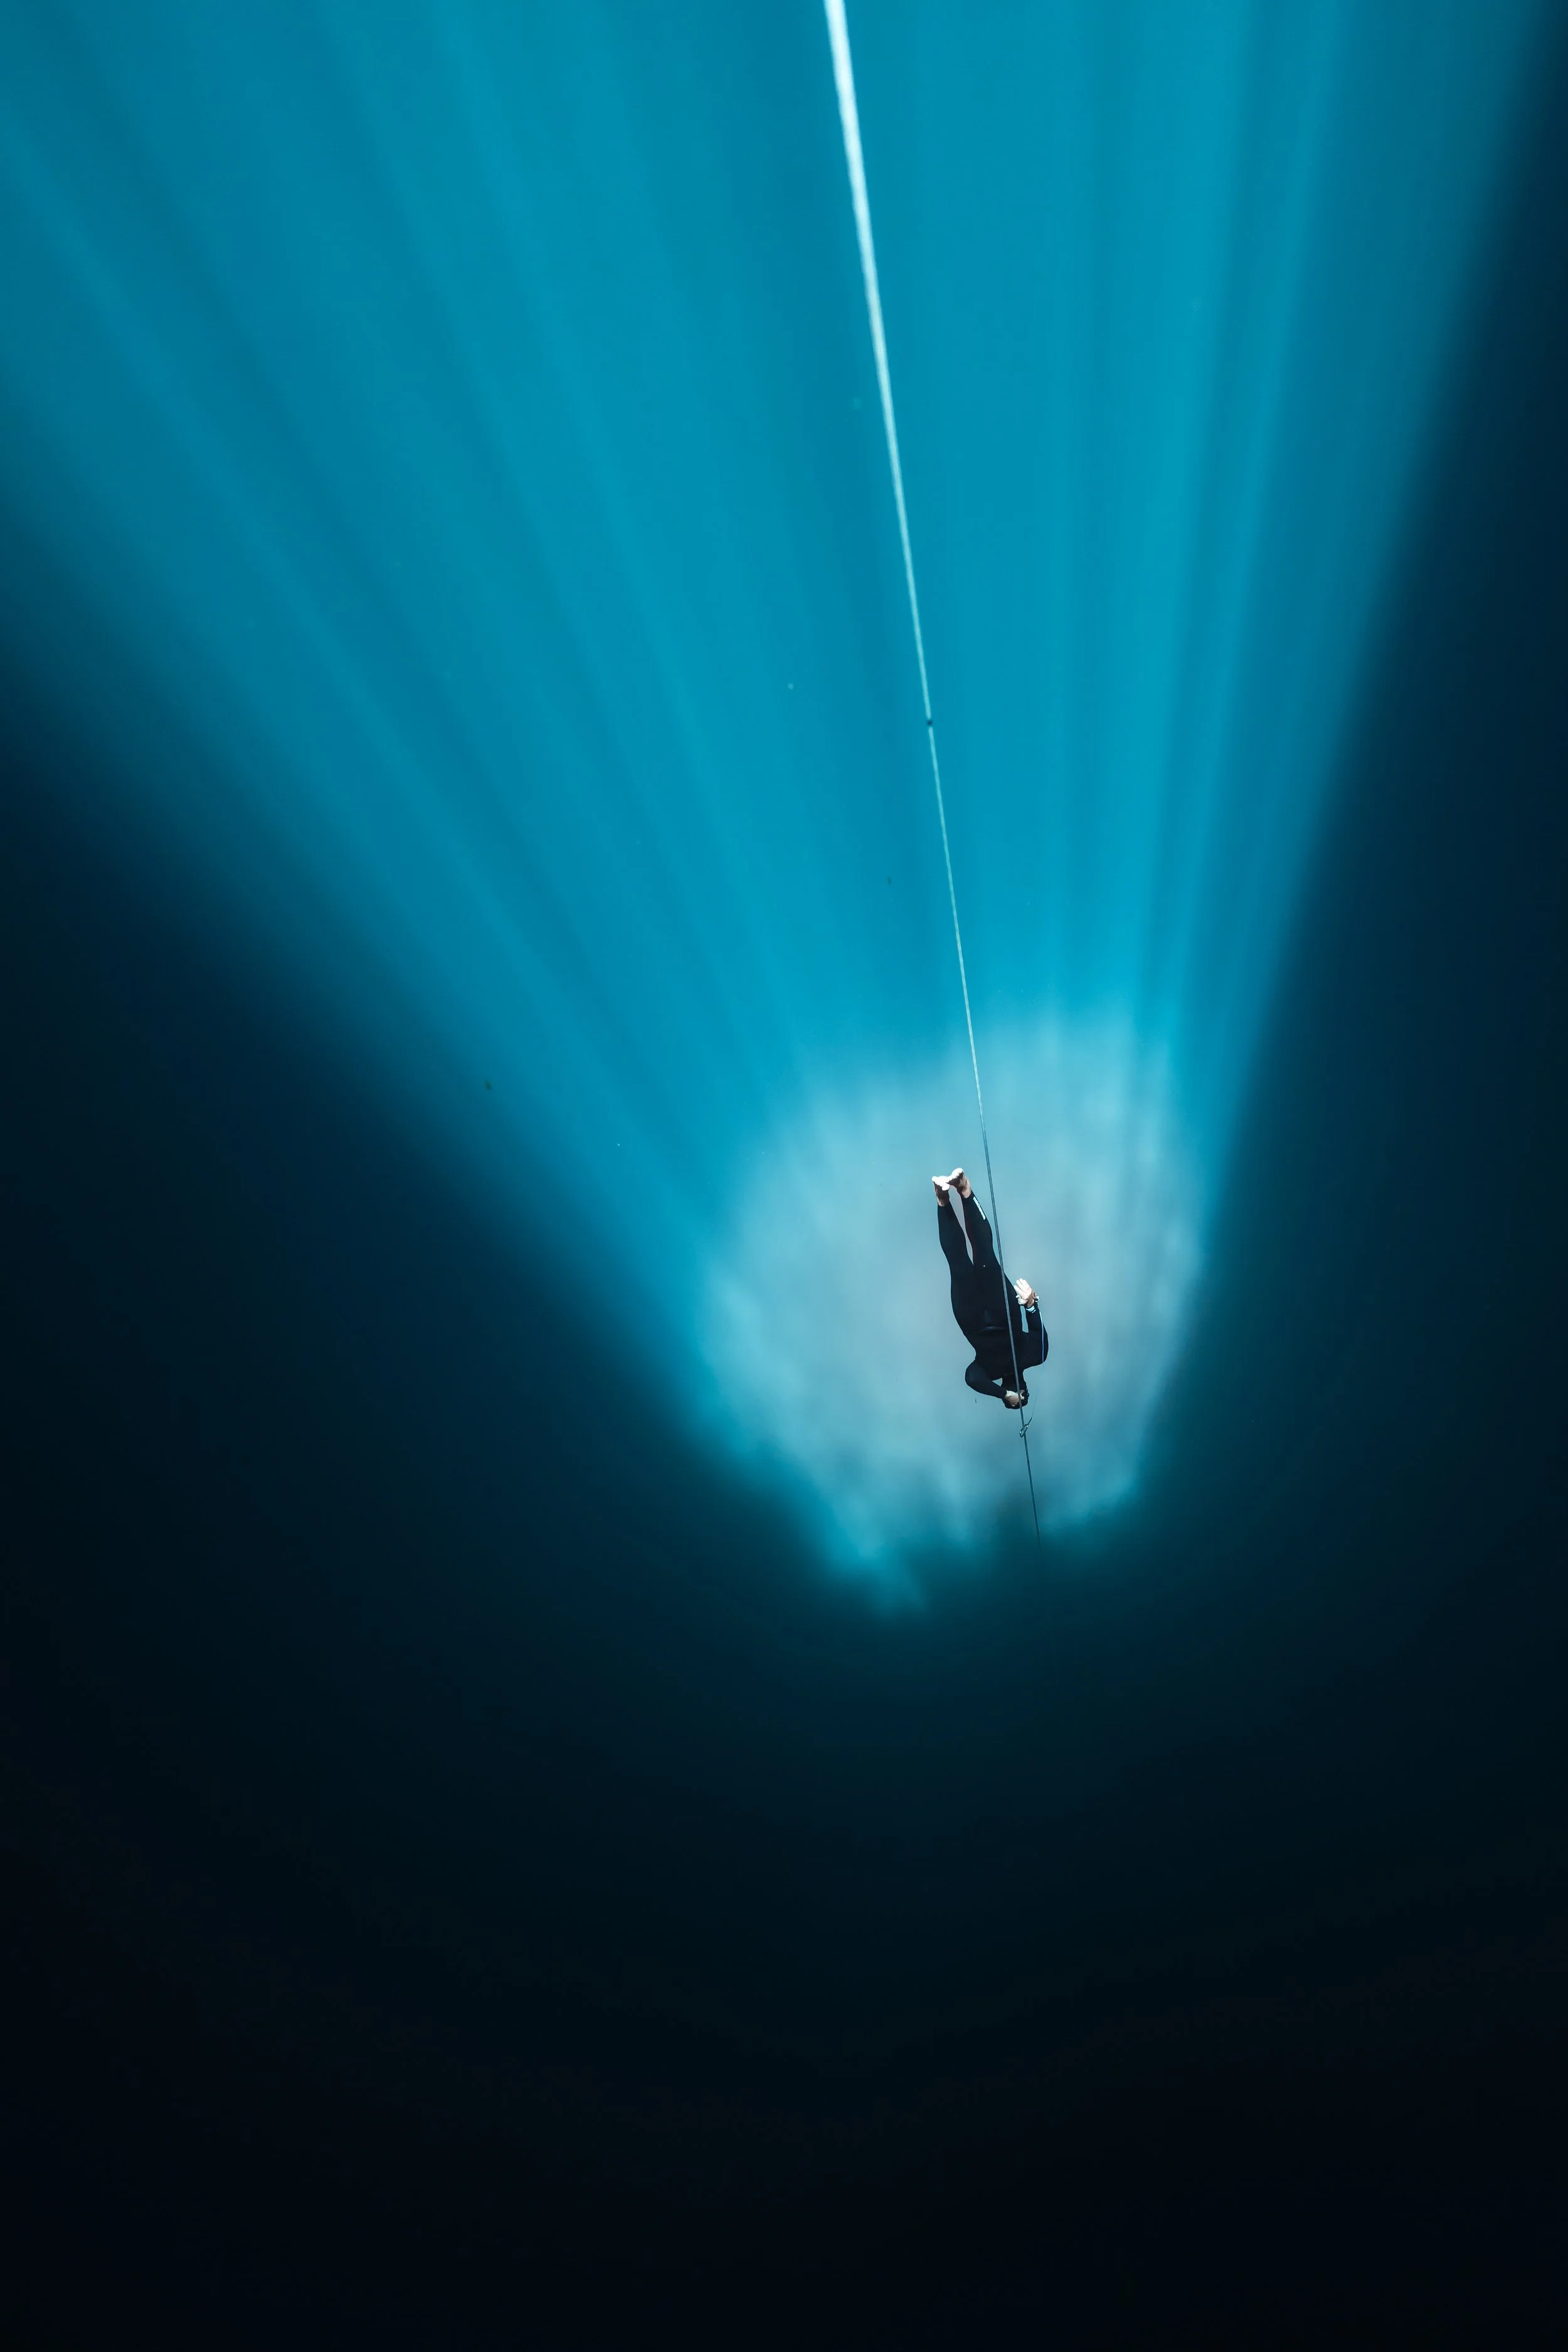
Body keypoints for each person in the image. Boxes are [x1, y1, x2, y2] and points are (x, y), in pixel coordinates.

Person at [933, 1168, 1047, 1409]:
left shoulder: (987, 1372)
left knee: (958, 1263)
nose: (1018, 1398)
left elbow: (971, 1378)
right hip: (1002, 1313)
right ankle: (965, 1190)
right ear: (1025, 1390)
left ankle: (942, 1200)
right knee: (984, 1254)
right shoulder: (1034, 1355)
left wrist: (1003, 1394)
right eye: (1021, 1399)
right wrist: (1031, 1305)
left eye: (1015, 1403)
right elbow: (1040, 1336)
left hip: (972, 1319)